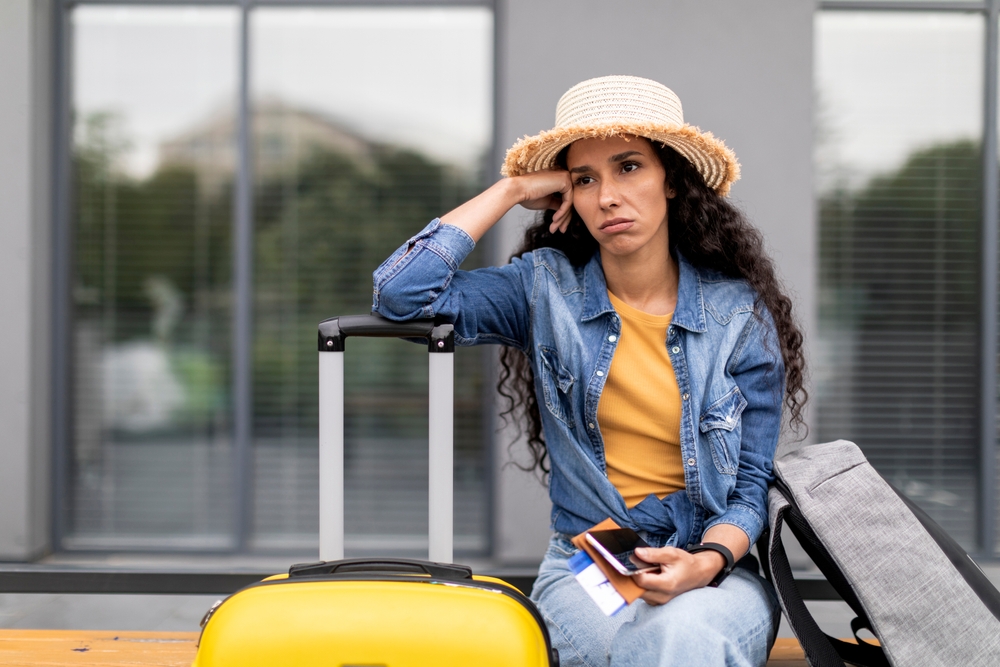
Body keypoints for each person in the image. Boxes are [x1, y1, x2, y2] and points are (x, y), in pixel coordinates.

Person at [371, 75, 806, 667]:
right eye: (584, 179)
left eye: (629, 168)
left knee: (682, 636)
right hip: (595, 558)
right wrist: (510, 190)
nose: (606, 197)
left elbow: (751, 486)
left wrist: (704, 563)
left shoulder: (737, 314)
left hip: (713, 563)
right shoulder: (543, 289)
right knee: (651, 648)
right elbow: (401, 294)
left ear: (672, 180)